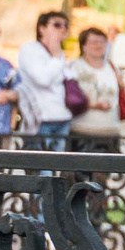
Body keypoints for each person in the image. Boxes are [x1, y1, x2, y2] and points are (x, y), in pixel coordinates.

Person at [64, 26, 125, 153]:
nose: (98, 45)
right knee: (82, 171)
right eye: (94, 42)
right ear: (83, 46)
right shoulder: (74, 67)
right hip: (82, 131)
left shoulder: (112, 67)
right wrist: (93, 105)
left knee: (107, 171)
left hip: (110, 131)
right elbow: (69, 98)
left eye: (102, 42)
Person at [16, 9, 75, 149]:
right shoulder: (30, 49)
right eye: (57, 25)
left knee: (57, 168)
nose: (63, 29)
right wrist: (55, 58)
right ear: (42, 28)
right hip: (41, 120)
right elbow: (42, 79)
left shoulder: (59, 54)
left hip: (62, 118)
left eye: (66, 25)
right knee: (42, 169)